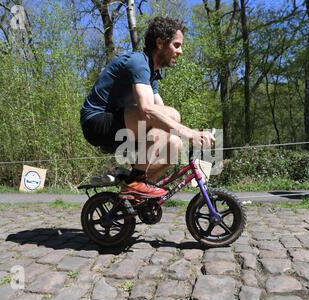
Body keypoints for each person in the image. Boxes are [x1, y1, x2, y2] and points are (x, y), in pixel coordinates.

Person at [80, 16, 214, 198]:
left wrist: (190, 134)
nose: (180, 51)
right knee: (172, 117)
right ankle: (135, 181)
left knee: (174, 143)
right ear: (160, 43)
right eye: (176, 45)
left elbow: (161, 113)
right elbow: (148, 110)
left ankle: (135, 190)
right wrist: (191, 133)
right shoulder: (138, 63)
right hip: (96, 121)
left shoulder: (152, 73)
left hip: (120, 124)